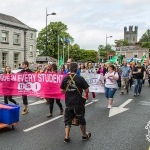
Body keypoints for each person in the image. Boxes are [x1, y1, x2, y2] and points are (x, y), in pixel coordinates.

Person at [60, 62, 91, 143]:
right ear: (77, 69)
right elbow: (87, 90)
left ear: (69, 69)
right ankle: (84, 135)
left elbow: (61, 90)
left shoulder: (65, 79)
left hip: (68, 103)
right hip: (78, 103)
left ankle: (66, 137)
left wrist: (69, 91)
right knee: (81, 119)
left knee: (67, 120)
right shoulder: (80, 78)